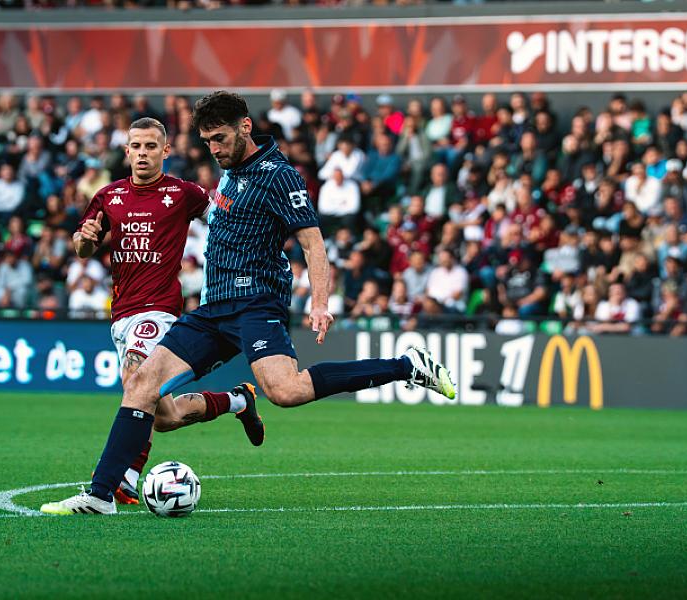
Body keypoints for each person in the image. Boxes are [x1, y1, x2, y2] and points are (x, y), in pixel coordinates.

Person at [42, 92, 455, 516]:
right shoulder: (229, 172)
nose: (214, 149)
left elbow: (312, 244)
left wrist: (320, 302)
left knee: (286, 391)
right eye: (207, 142)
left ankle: (406, 366)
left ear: (244, 127)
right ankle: (101, 494)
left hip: (256, 304)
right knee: (142, 384)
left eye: (219, 138)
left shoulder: (279, 175)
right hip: (212, 308)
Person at [42, 117, 264, 513]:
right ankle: (238, 401)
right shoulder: (108, 196)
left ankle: (111, 486)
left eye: (150, 146)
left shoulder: (184, 194)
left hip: (159, 309)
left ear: (165, 151)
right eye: (136, 146)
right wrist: (84, 241)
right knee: (164, 416)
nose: (142, 154)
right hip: (121, 314)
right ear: (126, 151)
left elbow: (226, 219)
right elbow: (82, 247)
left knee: (136, 381)